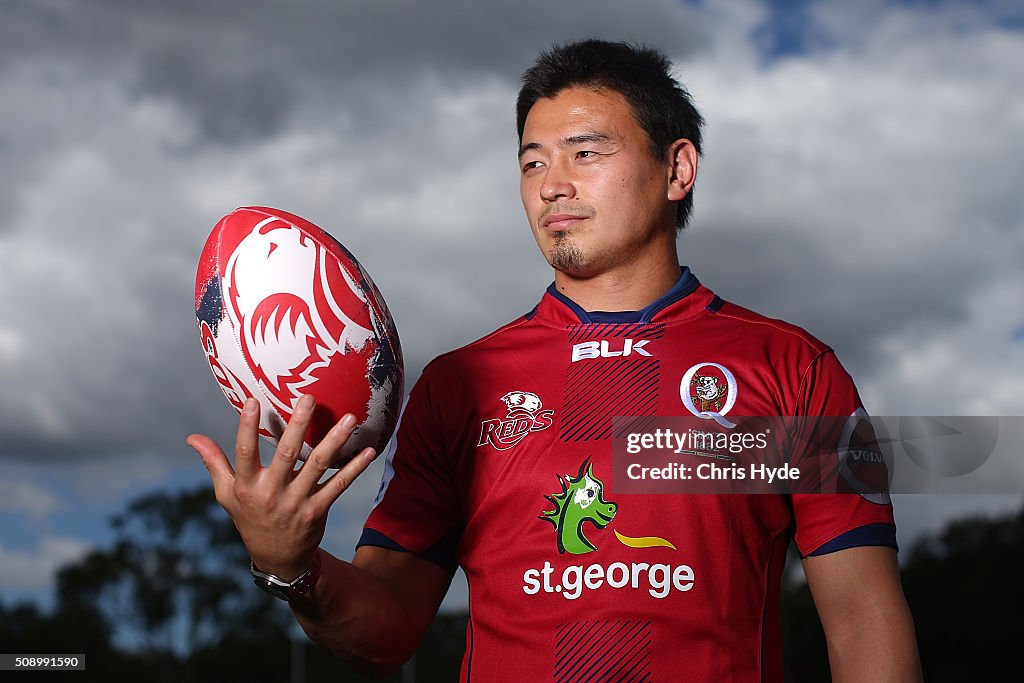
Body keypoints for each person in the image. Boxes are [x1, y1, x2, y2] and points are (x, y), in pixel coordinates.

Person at [189, 39, 922, 681]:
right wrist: (291, 565)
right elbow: (385, 633)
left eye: (586, 152)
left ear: (678, 168)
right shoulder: (459, 386)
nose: (551, 184)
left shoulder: (794, 369)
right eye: (532, 161)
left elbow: (862, 620)